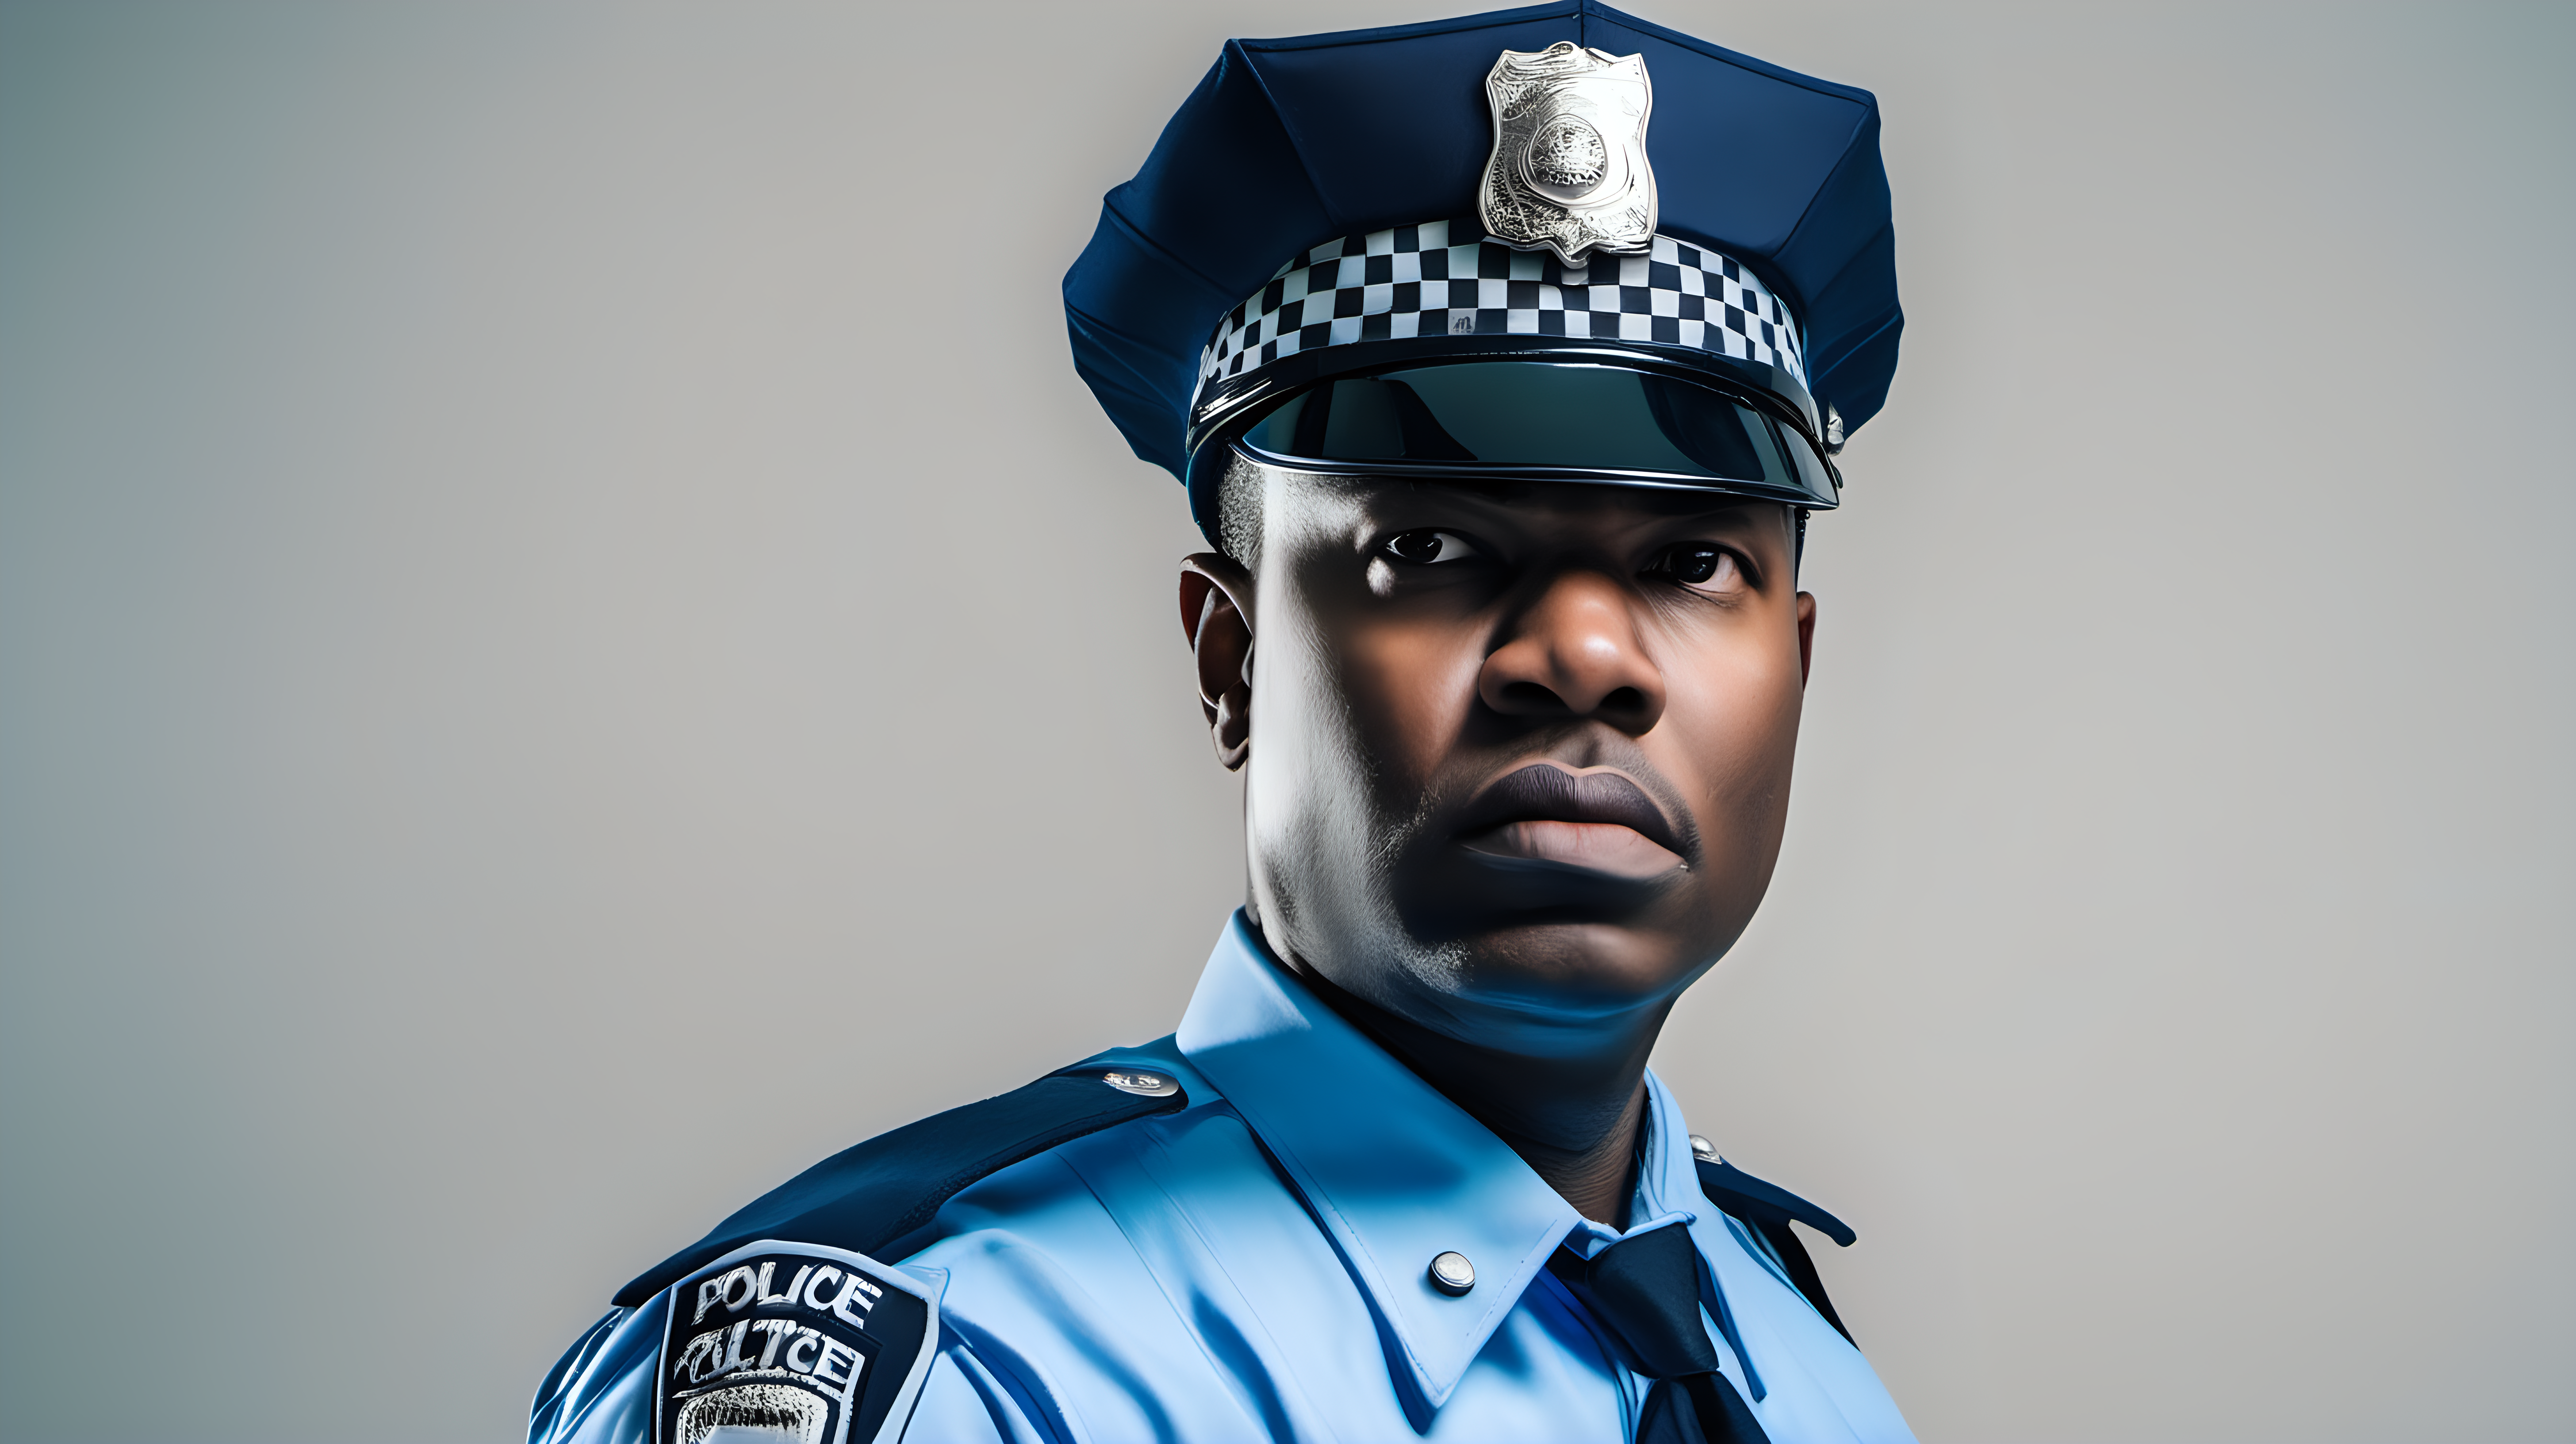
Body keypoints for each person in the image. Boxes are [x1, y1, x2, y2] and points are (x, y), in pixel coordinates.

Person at [529, 3, 1910, 1440]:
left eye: (1692, 563)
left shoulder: (1787, 1356)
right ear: (1230, 655)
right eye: (1429, 551)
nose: (1582, 655)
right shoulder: (967, 1371)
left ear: (1795, 668)